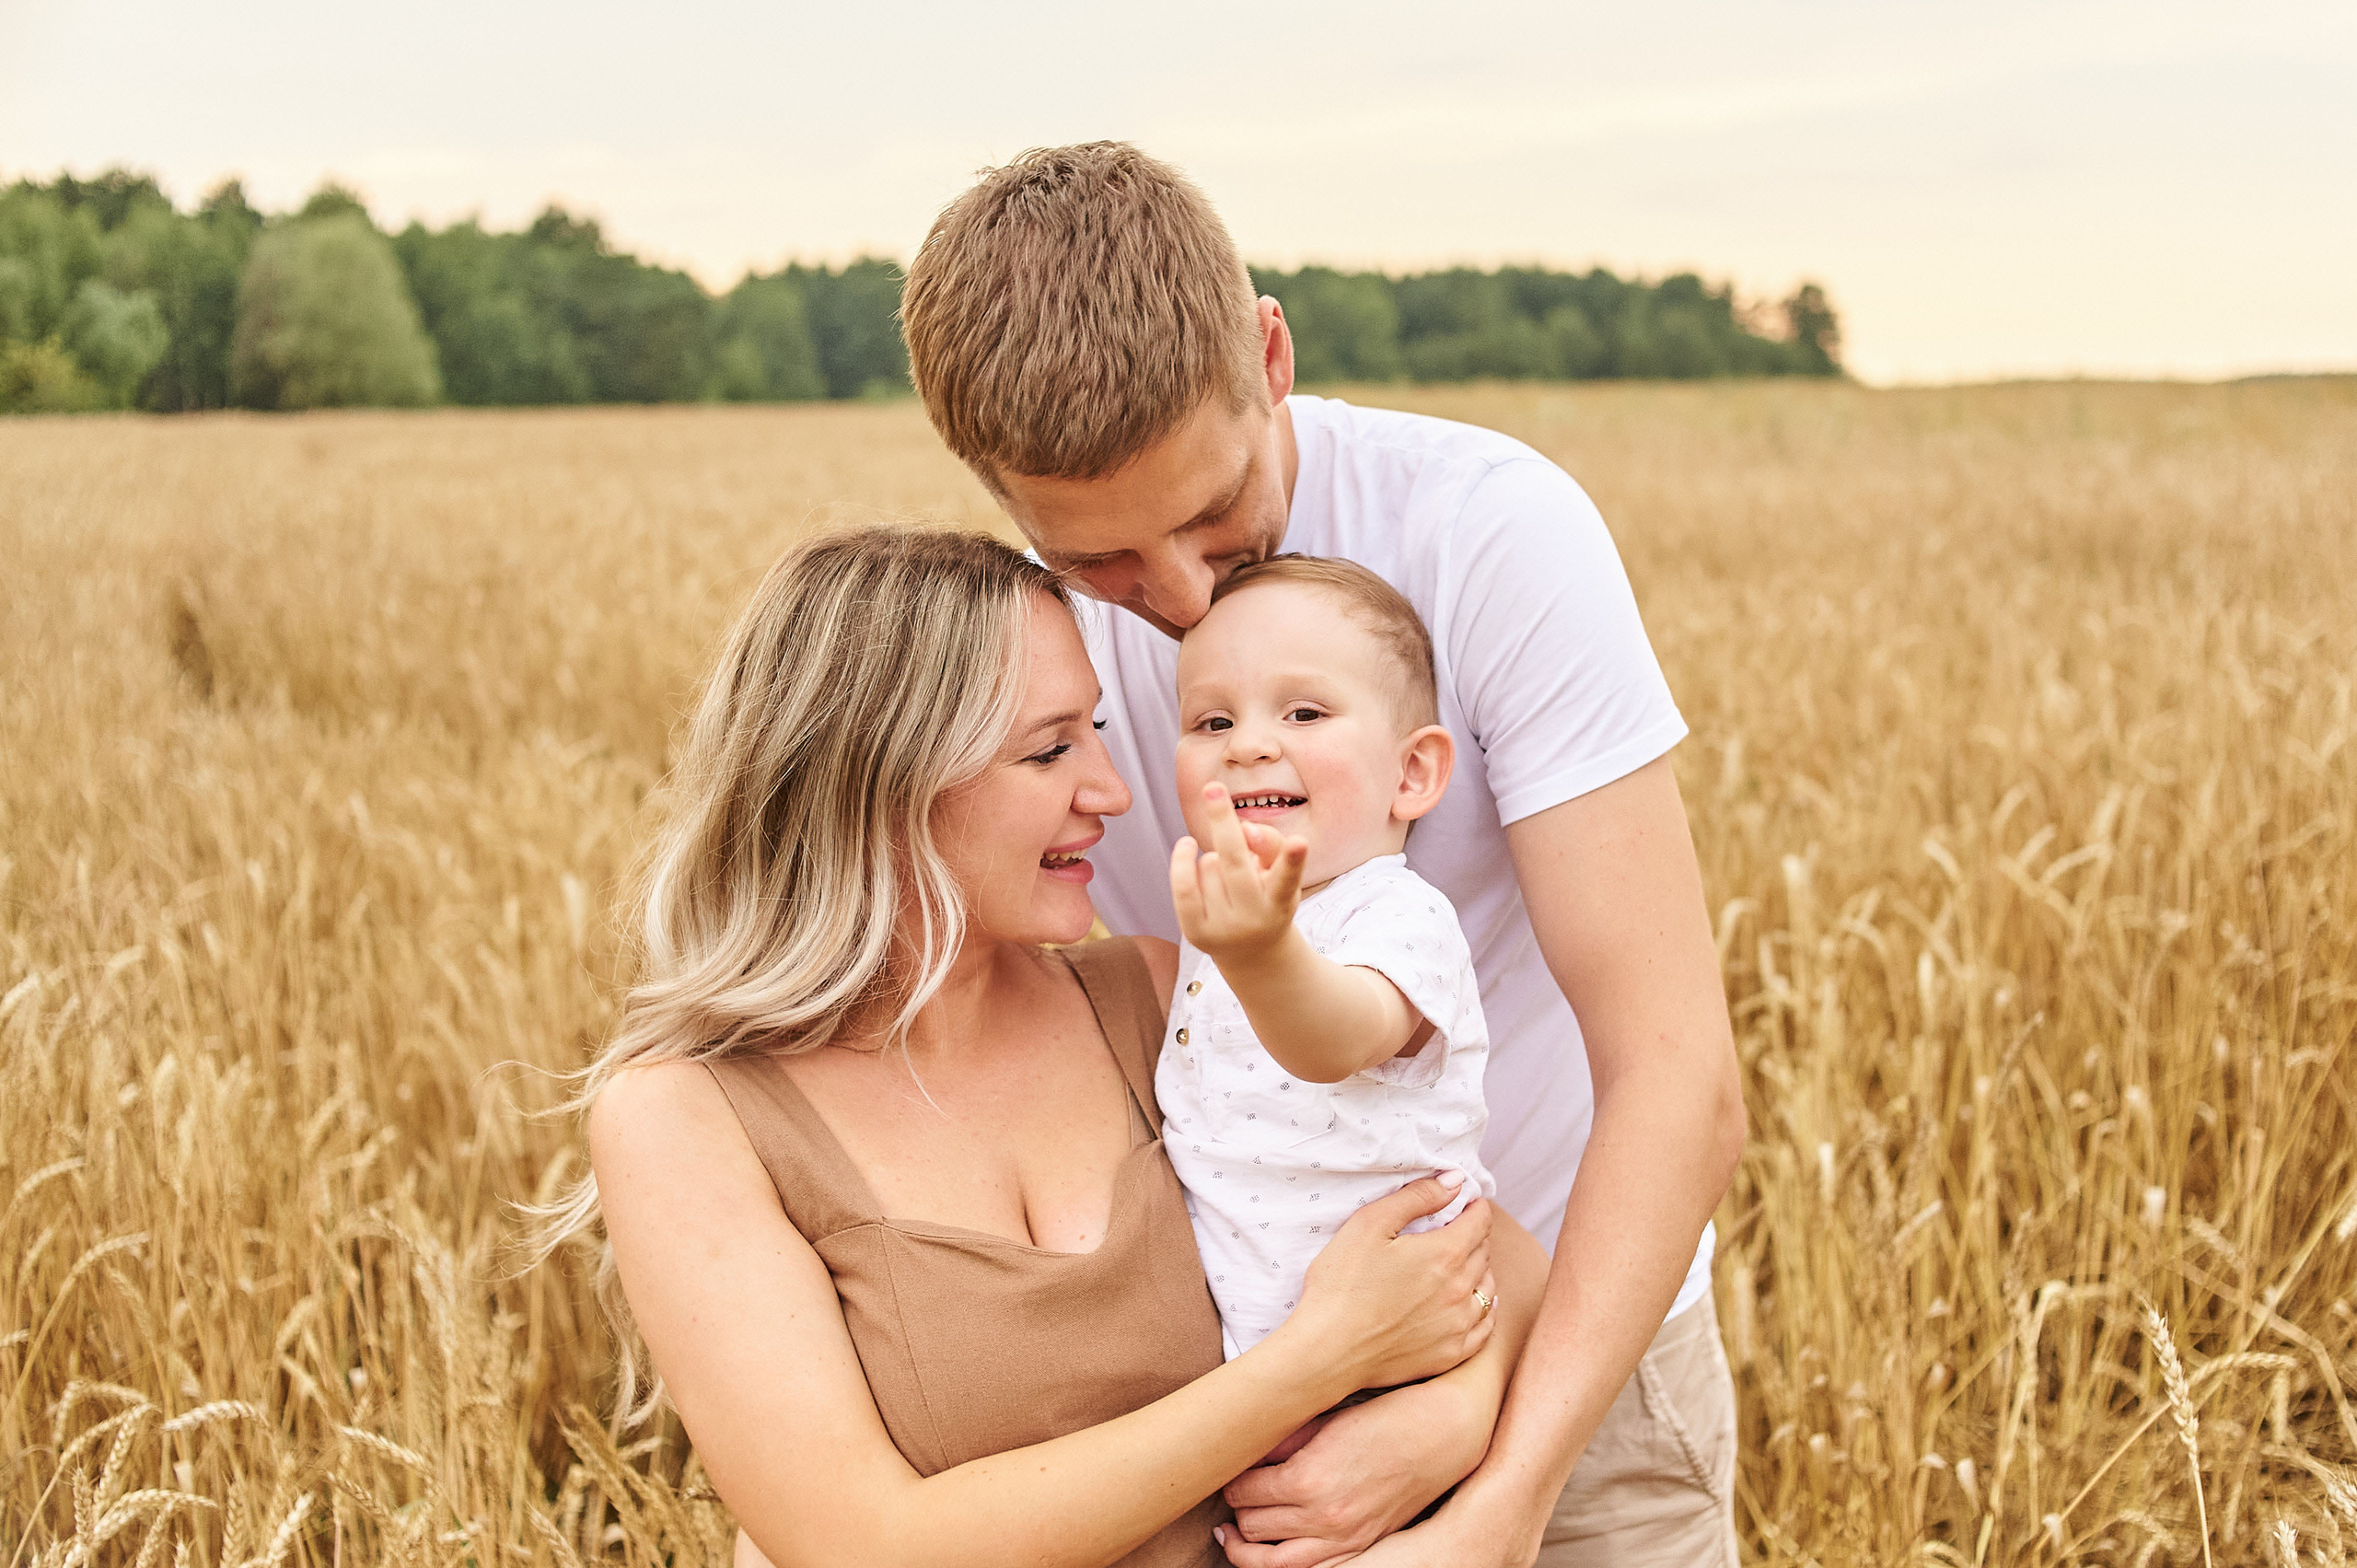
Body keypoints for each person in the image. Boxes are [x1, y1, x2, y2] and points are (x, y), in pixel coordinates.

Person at [900, 144, 1747, 1566]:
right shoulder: (1017, 650)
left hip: (1574, 1354)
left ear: (1270, 351)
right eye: (1103, 562)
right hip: (1230, 1417)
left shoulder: (1490, 534)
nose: (1176, 606)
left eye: (1213, 514)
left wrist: (1498, 1482)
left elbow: (1678, 1076)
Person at [557, 526, 1547, 1568]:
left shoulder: (1170, 996)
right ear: (880, 780)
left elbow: (1485, 1242)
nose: (1114, 792)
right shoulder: (687, 1117)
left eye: (1101, 731)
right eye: (1048, 749)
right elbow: (860, 1546)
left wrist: (1449, 1417)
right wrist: (1310, 1364)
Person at [1160, 556, 1497, 1363]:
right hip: (1253, 1350)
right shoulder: (1231, 919)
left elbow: (1340, 1038)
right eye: (1212, 723)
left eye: (1304, 713)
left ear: (1411, 772)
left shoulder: (1398, 913)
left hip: (1388, 1351)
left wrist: (1261, 954)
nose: (1247, 745)